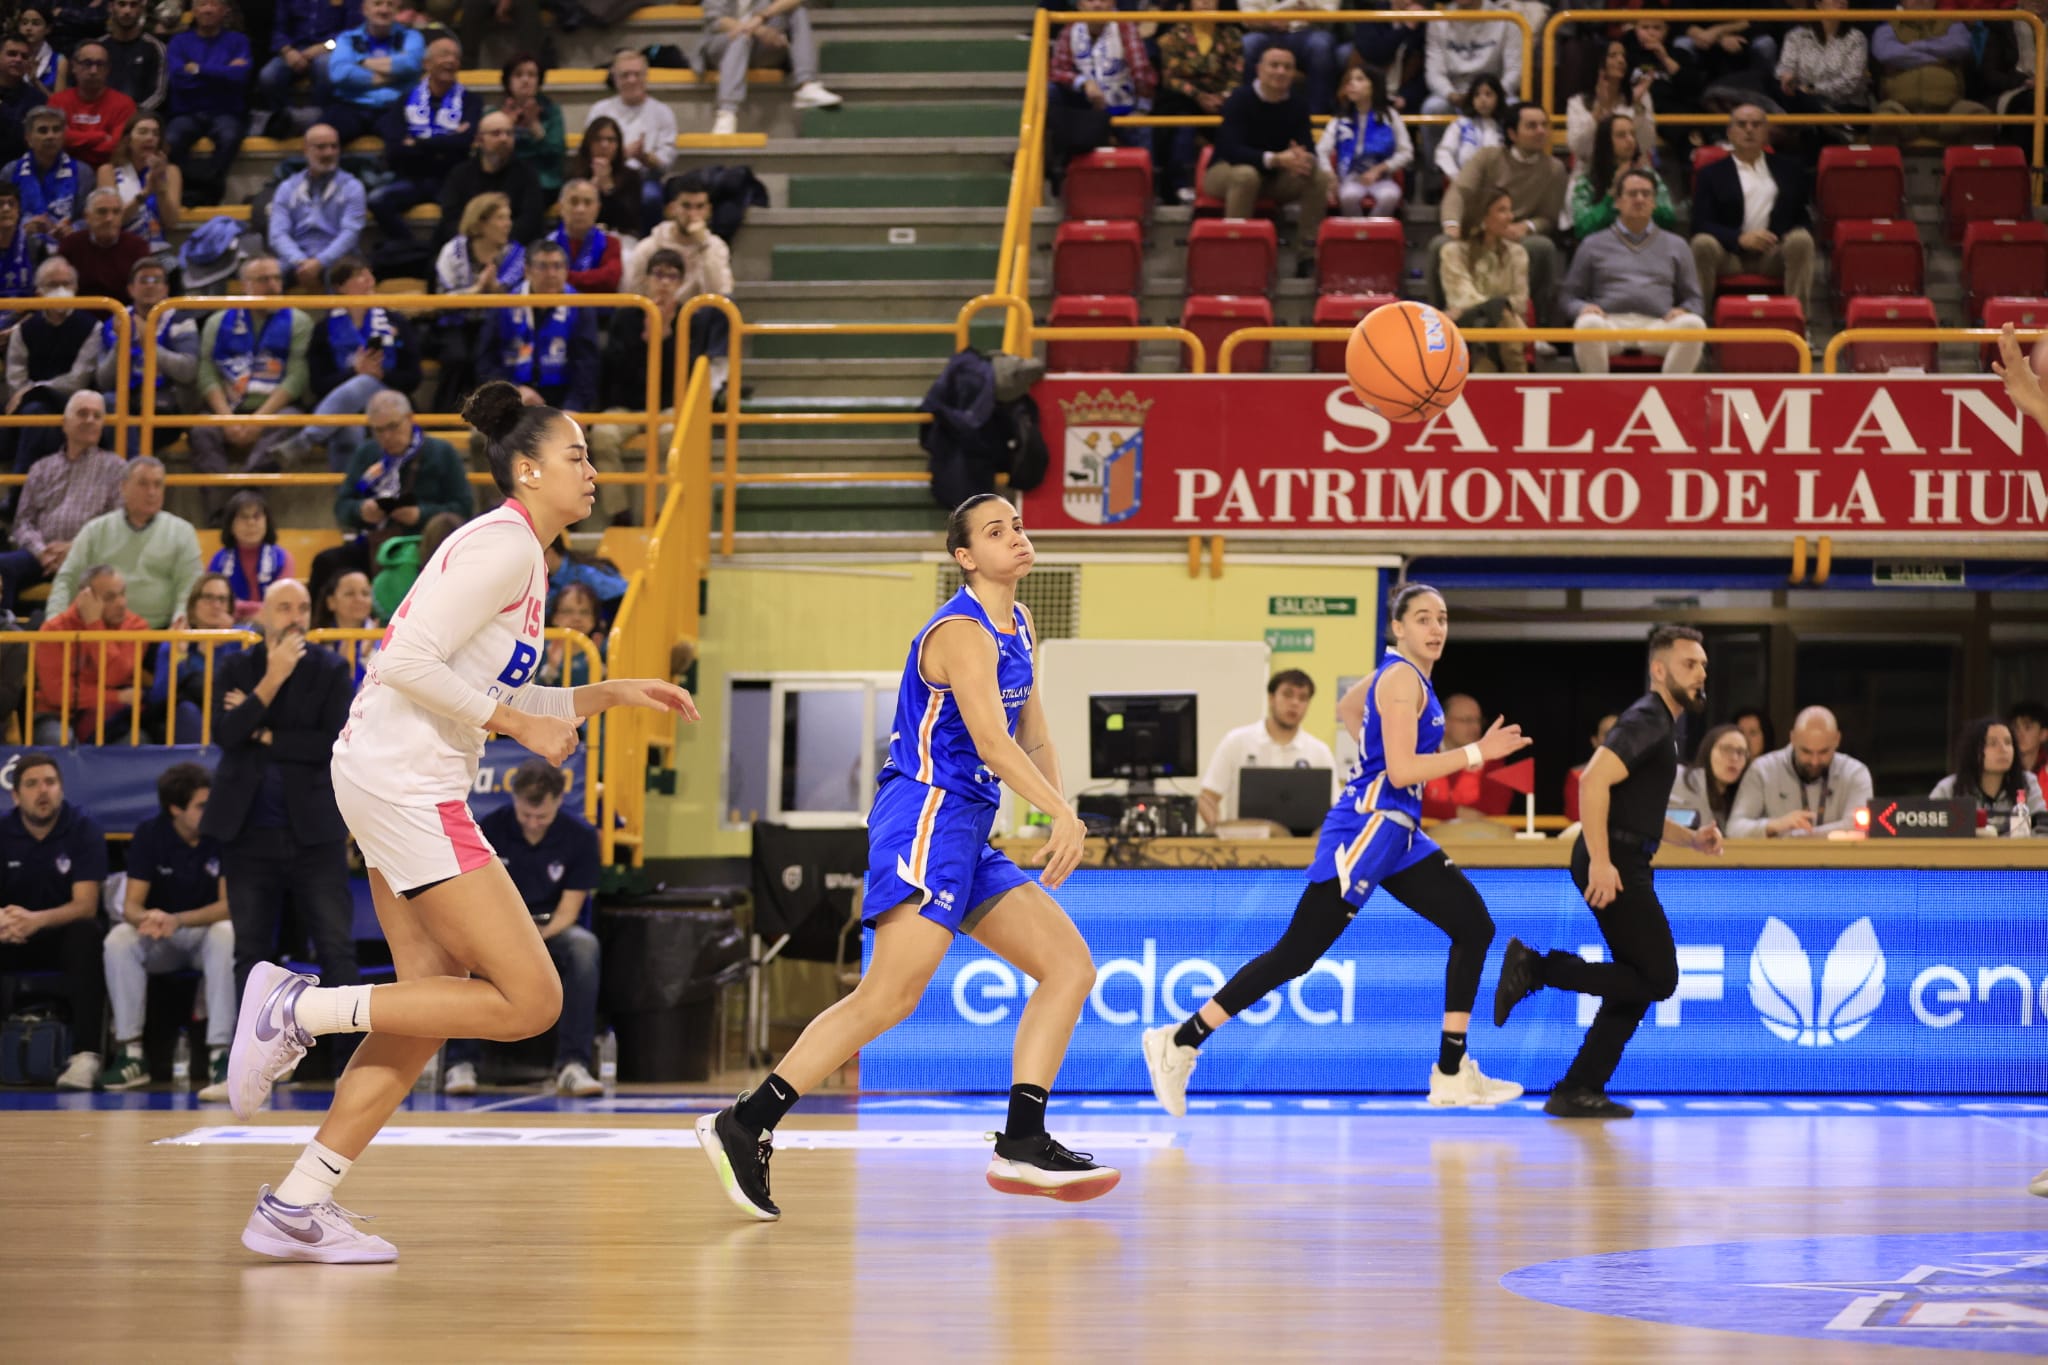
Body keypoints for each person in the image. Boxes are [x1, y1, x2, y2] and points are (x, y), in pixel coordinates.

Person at [223, 380, 697, 1261]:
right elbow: (404, 659)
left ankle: (295, 1202)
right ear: (527, 469)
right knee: (531, 997)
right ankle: (299, 1008)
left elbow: (491, 688)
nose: (592, 470)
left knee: (425, 1005)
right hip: (407, 781)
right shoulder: (506, 548)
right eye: (576, 455)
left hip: (389, 774)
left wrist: (605, 692)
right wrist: (515, 723)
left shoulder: (522, 553)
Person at [698, 492, 1112, 1222]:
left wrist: (1063, 803)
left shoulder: (1019, 621)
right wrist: (1059, 811)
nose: (1015, 536)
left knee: (1070, 966)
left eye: (1016, 524)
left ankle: (1022, 1139)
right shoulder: (960, 631)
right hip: (925, 816)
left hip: (968, 828)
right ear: (964, 556)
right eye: (995, 531)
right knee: (888, 995)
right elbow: (989, 740)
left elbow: (1033, 728)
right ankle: (748, 1119)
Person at [1143, 583, 1531, 1116]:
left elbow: (1350, 707)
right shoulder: (1400, 679)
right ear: (1398, 628)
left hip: (1398, 832)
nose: (1436, 628)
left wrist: (1371, 759)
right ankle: (1180, 1040)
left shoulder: (1402, 676)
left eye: (1441, 618)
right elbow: (1401, 771)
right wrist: (1476, 752)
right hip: (1369, 830)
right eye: (1422, 618)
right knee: (1297, 953)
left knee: (1473, 925)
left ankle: (1450, 1072)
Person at [1494, 626, 1723, 1119]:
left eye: (1703, 664)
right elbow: (1594, 781)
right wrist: (1601, 860)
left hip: (1625, 853)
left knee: (1636, 981)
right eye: (1689, 664)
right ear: (1659, 670)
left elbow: (1633, 807)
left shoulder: (1665, 724)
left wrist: (1691, 838)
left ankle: (1578, 1088)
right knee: (1659, 978)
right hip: (1614, 859)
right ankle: (1536, 968)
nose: (1700, 673)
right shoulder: (1647, 717)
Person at [204, 577, 360, 1012]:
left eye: (303, 608)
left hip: (313, 833)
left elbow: (330, 742)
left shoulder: (331, 669)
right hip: (248, 833)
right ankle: (250, 1065)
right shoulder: (237, 667)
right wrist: (271, 681)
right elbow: (227, 735)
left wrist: (265, 731)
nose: (296, 618)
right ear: (263, 615)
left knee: (336, 947)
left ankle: (350, 1064)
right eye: (285, 608)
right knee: (250, 952)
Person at [444, 758, 605, 1097]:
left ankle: (573, 1065)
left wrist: (530, 938)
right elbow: (476, 899)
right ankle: (460, 1064)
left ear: (559, 801)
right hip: (497, 927)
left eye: (541, 817)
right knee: (462, 949)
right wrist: (502, 937)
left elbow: (569, 911)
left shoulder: (581, 837)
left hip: (550, 928)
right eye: (526, 816)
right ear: (514, 800)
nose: (533, 824)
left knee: (584, 947)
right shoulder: (489, 829)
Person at [100, 762, 235, 1094]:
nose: (211, 809)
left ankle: (222, 1055)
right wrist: (146, 919)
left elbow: (228, 905)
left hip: (201, 934)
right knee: (118, 939)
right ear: (175, 808)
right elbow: (131, 905)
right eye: (202, 805)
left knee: (227, 933)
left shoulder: (223, 831)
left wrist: (179, 919)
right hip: (159, 935)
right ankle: (131, 1055)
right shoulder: (150, 833)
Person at [0, 752, 110, 1090]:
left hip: (62, 934)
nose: (42, 791)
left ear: (61, 788)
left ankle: (85, 1056)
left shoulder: (82, 827)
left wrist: (36, 920)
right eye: (32, 785)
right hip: (12, 934)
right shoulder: (2, 831)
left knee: (86, 933)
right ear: (16, 795)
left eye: (50, 782)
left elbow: (86, 904)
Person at [1562, 168, 1707, 375]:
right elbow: (1569, 297)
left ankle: (1670, 396)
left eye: (1646, 194)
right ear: (1617, 202)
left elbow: (1695, 301)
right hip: (1609, 324)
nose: (1639, 199)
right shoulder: (1592, 244)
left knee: (1694, 325)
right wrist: (1582, 308)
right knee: (1587, 325)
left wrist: (1684, 310)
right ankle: (1596, 396)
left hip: (1658, 325)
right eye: (1632, 194)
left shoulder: (1677, 245)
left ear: (1655, 202)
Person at [1433, 103, 1565, 326]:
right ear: (1512, 133)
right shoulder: (1487, 157)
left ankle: (1538, 327)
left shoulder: (1555, 169)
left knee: (1542, 247)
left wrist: (1528, 227)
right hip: (1479, 228)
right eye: (1532, 126)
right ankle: (1439, 322)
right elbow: (1459, 192)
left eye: (1544, 125)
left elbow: (1549, 217)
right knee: (1441, 244)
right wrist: (1452, 224)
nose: (1541, 131)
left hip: (1516, 232)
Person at [1205, 46, 1333, 260]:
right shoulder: (1239, 99)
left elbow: (1307, 146)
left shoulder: (1298, 104)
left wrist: (1303, 158)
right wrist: (1275, 159)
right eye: (1274, 65)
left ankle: (1308, 254)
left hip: (1274, 178)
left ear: (1294, 74)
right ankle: (1235, 255)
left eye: (1287, 67)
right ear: (1259, 69)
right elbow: (1231, 150)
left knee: (1318, 176)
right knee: (1246, 175)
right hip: (1226, 171)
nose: (1281, 72)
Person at [588, 246, 685, 528]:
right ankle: (620, 514)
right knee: (603, 434)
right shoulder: (626, 316)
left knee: (673, 437)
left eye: (672, 276)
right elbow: (616, 370)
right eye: (659, 274)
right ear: (646, 279)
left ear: (681, 283)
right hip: (627, 405)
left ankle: (662, 516)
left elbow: (684, 376)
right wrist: (644, 338)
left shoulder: (689, 317)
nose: (664, 282)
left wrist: (665, 338)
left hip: (667, 405)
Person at [191, 254, 312, 479]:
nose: (273, 286)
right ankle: (222, 508)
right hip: (227, 408)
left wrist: (258, 421)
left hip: (273, 409)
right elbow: (206, 373)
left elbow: (297, 377)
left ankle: (246, 499)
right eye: (264, 280)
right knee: (201, 430)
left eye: (277, 278)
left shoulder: (299, 321)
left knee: (290, 421)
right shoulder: (217, 321)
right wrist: (227, 419)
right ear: (245, 285)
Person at [295, 255, 421, 470]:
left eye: (369, 274)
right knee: (348, 427)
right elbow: (318, 384)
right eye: (359, 276)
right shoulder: (324, 329)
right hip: (341, 409)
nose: (369, 281)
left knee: (364, 383)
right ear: (340, 287)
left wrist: (380, 375)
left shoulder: (396, 321)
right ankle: (351, 500)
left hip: (390, 400)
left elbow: (413, 377)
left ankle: (306, 439)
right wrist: (354, 371)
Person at [0, 390, 121, 609]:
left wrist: (74, 548)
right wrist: (41, 551)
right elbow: (23, 522)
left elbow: (117, 526)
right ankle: (8, 637)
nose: (90, 420)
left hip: (89, 558)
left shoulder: (116, 469)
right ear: (65, 424)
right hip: (40, 556)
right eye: (83, 414)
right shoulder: (41, 468)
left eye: (97, 416)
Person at [48, 456, 202, 628]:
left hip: (161, 632)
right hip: (101, 630)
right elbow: (67, 580)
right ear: (123, 487)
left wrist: (180, 621)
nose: (151, 492)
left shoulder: (183, 532)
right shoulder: (95, 530)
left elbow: (190, 586)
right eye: (143, 484)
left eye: (158, 485)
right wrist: (54, 623)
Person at [1687, 103, 1815, 307]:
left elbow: (1802, 217)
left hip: (1773, 253)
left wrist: (1779, 237)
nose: (1749, 129)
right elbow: (1700, 223)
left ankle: (1800, 323)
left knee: (1802, 240)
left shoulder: (1789, 169)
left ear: (1766, 132)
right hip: (1728, 255)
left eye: (1756, 124)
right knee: (1702, 243)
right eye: (1742, 124)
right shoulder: (1710, 174)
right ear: (1729, 133)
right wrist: (1739, 239)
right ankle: (1697, 323)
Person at [371, 35, 481, 244]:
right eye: (444, 55)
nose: (451, 61)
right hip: (411, 177)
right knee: (377, 200)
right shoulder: (404, 100)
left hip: (451, 179)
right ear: (426, 63)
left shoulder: (471, 101)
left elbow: (464, 143)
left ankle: (435, 253)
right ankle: (411, 247)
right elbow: (395, 148)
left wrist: (418, 143)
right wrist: (445, 142)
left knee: (465, 213)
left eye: (456, 57)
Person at [1196, 668, 1336, 829]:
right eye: (1287, 695)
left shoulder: (1319, 751)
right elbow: (1207, 798)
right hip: (1244, 847)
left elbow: (1336, 808)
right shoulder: (1236, 742)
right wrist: (1220, 834)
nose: (1295, 703)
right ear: (1271, 698)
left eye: (1303, 698)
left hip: (1301, 849)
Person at [87, 256, 195, 454]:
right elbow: (103, 381)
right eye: (143, 280)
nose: (150, 286)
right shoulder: (115, 321)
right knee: (108, 403)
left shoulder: (181, 320)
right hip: (126, 400)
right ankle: (134, 470)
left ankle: (131, 472)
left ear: (166, 289)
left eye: (156, 281)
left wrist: (148, 342)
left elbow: (187, 371)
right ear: (131, 289)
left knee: (150, 411)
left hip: (167, 402)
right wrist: (123, 342)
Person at [477, 240, 599, 412]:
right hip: (512, 399)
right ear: (527, 271)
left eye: (558, 266)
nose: (551, 274)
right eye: (543, 266)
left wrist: (574, 407)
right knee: (478, 436)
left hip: (562, 398)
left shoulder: (580, 307)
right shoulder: (503, 306)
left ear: (566, 271)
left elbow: (587, 366)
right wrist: (512, 391)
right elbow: (486, 363)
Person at [34, 562, 150, 744]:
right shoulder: (53, 630)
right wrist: (117, 696)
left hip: (108, 714)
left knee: (137, 741)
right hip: (56, 714)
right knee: (60, 740)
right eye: (110, 597)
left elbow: (114, 677)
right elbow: (56, 693)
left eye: (122, 594)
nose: (122, 603)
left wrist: (93, 627)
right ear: (85, 598)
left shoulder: (136, 626)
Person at [1725, 705, 1873, 838]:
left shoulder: (1855, 773)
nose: (1814, 761)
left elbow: (1859, 828)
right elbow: (1734, 829)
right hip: (1777, 866)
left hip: (1838, 867)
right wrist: (1775, 825)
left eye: (1823, 752)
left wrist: (1797, 837)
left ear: (1837, 740)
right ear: (1793, 738)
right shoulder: (1763, 770)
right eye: (1806, 752)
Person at [701, 0, 840, 138]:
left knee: (798, 11)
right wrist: (756, 29)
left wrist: (761, 17)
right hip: (724, 43)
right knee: (741, 37)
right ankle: (727, 112)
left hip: (761, 44)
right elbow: (716, 21)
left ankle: (807, 84)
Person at [142, 572, 253, 742]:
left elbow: (239, 688)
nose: (216, 605)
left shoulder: (243, 639)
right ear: (193, 606)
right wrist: (179, 655)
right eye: (208, 597)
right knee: (186, 710)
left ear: (230, 608)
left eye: (222, 599)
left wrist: (216, 650)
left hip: (230, 713)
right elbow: (159, 697)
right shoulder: (175, 640)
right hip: (185, 719)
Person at [161, 0, 251, 205]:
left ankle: (209, 188)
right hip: (187, 112)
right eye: (202, 4)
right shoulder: (179, 42)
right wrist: (224, 71)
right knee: (171, 140)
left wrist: (198, 70)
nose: (208, 9)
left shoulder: (239, 41)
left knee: (231, 137)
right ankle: (193, 184)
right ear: (193, 10)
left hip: (226, 113)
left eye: (214, 4)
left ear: (225, 10)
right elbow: (179, 80)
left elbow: (239, 78)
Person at [1153, 0, 1242, 204]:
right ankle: (1180, 183)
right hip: (1185, 98)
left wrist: (1224, 96)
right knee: (1182, 119)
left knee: (1238, 111)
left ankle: (1230, 180)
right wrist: (1198, 96)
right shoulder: (1172, 36)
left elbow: (1237, 75)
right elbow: (1170, 78)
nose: (1205, 2)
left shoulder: (1232, 35)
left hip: (1221, 98)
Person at [1439, 185, 1529, 374]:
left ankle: (1485, 374)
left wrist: (1499, 311)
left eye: (1510, 210)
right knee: (1498, 313)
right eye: (1502, 210)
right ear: (1483, 217)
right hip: (1466, 325)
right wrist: (1497, 309)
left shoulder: (1517, 253)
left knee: (1498, 318)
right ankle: (1519, 376)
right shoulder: (1453, 252)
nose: (1511, 217)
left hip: (1504, 328)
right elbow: (1462, 298)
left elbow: (1520, 301)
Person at [266, 124, 367, 291]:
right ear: (305, 149)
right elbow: (277, 235)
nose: (329, 153)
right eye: (321, 147)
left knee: (342, 273)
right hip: (296, 257)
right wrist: (300, 261)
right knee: (264, 276)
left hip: (338, 258)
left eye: (334, 147)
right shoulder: (287, 187)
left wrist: (320, 262)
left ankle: (336, 318)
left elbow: (351, 234)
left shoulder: (353, 187)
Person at [585, 49, 674, 229]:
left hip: (645, 177)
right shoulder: (600, 110)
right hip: (606, 173)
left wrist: (645, 157)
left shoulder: (662, 112)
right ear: (615, 78)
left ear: (646, 76)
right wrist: (623, 155)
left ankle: (647, 248)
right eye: (625, 75)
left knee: (651, 196)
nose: (632, 80)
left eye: (637, 74)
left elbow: (667, 161)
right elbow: (588, 151)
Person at [432, 109, 543, 250]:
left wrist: (496, 243)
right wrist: (478, 244)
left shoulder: (527, 174)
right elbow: (451, 220)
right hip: (467, 250)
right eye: (496, 133)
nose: (504, 139)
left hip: (512, 251)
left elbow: (530, 221)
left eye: (509, 133)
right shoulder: (460, 174)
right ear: (479, 140)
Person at [321, 0, 426, 146]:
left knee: (410, 143)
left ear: (397, 10)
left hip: (395, 108)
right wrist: (396, 77)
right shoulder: (347, 38)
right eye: (377, 4)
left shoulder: (412, 36)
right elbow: (340, 74)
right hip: (351, 106)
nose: (384, 10)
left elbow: (411, 65)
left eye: (390, 5)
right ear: (365, 10)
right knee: (322, 136)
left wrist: (360, 61)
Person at [1317, 59, 1411, 219]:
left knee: (1390, 195)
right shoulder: (1340, 120)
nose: (1351, 84)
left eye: (1359, 79)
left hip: (1381, 177)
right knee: (1348, 196)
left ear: (1374, 86)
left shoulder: (1390, 116)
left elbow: (1406, 152)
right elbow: (1321, 150)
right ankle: (1354, 233)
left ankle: (1375, 233)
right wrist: (1329, 175)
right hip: (1349, 177)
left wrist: (1379, 169)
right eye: (1350, 80)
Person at [1929, 716, 2048, 838]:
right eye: (1992, 743)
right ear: (1974, 752)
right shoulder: (1949, 788)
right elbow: (1927, 828)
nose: (2003, 749)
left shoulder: (2027, 782)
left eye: (2008, 742)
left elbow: (2043, 829)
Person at [1568, 110, 1674, 239]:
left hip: (1646, 243)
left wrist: (1645, 201)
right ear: (1605, 141)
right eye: (1621, 135)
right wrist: (1612, 194)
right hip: (1604, 248)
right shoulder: (1587, 182)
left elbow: (1669, 219)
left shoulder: (1649, 176)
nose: (1630, 140)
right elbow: (1582, 229)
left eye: (1632, 134)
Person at [258, 0, 360, 134]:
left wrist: (325, 46)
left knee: (323, 67)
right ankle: (285, 120)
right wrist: (288, 51)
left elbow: (351, 33)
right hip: (295, 50)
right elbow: (279, 31)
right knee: (268, 75)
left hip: (331, 48)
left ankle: (322, 120)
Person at [1565, 37, 1655, 170]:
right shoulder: (1578, 102)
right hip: (1591, 172)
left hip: (1632, 171)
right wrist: (1599, 109)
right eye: (1613, 56)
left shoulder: (1640, 97)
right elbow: (1579, 148)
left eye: (1623, 56)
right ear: (1597, 62)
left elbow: (1646, 143)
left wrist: (1637, 105)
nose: (1621, 61)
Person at [96, 110, 179, 253]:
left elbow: (171, 223)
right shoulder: (108, 171)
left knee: (172, 268)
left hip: (156, 250)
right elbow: (113, 221)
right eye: (143, 132)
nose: (150, 138)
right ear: (128, 139)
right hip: (118, 249)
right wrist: (145, 192)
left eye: (155, 133)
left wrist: (161, 190)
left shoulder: (171, 172)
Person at [1421, 691, 1512, 820]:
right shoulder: (1421, 755)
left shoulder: (1492, 758)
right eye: (1467, 720)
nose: (1475, 727)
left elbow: (1495, 808)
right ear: (1443, 722)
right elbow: (1411, 803)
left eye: (1478, 721)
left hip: (1475, 836)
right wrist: (1456, 813)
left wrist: (1440, 811)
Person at [1422, 0, 1521, 118]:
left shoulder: (1508, 19)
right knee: (1433, 108)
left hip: (1496, 91)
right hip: (1455, 93)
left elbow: (1515, 70)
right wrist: (1451, 94)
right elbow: (1434, 73)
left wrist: (1494, 94)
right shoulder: (1438, 21)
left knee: (1514, 107)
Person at [7, 107, 92, 237]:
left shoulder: (83, 173)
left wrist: (73, 229)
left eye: (56, 130)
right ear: (28, 138)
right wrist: (22, 227)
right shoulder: (10, 171)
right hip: (22, 246)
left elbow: (91, 217)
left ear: (64, 136)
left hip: (67, 247)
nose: (50, 136)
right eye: (43, 130)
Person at [208, 489, 294, 617]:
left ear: (267, 522)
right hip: (228, 628)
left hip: (272, 626)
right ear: (230, 525)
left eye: (257, 516)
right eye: (243, 517)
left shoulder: (283, 559)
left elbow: (282, 603)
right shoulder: (218, 561)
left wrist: (240, 609)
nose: (251, 523)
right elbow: (214, 604)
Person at [50, 40, 135, 169]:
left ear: (108, 69)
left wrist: (74, 143)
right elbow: (55, 139)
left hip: (110, 170)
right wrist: (99, 136)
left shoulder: (125, 104)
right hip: (64, 171)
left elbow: (117, 147)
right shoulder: (57, 101)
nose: (93, 70)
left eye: (100, 64)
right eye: (87, 63)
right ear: (73, 66)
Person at [57, 186, 150, 303]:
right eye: (102, 212)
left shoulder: (138, 247)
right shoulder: (71, 245)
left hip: (125, 316)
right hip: (81, 315)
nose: (109, 218)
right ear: (87, 217)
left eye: (116, 212)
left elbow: (145, 292)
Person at [500, 53, 564, 196]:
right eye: (518, 75)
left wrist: (534, 125)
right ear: (508, 81)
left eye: (532, 75)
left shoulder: (552, 112)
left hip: (542, 182)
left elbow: (556, 152)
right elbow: (488, 153)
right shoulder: (495, 114)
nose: (525, 80)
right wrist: (506, 126)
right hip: (504, 178)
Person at [568, 116, 641, 240]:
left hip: (619, 237)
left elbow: (630, 222)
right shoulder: (574, 174)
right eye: (598, 139)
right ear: (588, 143)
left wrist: (609, 188)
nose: (604, 145)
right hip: (580, 237)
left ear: (618, 145)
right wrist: (589, 191)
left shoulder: (631, 176)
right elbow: (566, 216)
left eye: (611, 140)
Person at [1669, 722, 1749, 834]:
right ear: (1708, 750)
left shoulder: (1744, 799)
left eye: (1741, 752)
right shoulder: (1678, 777)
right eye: (1726, 749)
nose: (1734, 758)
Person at [97, 0, 167, 116]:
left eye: (133, 5)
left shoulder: (155, 48)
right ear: (110, 7)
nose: (127, 11)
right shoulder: (98, 47)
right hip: (101, 117)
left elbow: (159, 93)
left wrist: (133, 114)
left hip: (139, 118)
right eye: (122, 4)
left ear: (141, 9)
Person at [1432, 72, 1505, 183]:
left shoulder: (1506, 126)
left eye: (1488, 94)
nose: (1482, 100)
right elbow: (1443, 152)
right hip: (1463, 183)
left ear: (1498, 97)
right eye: (1477, 95)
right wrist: (1456, 177)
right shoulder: (1461, 124)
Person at [550, 179, 620, 294]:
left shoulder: (611, 243)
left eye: (587, 203)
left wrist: (563, 277)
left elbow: (609, 280)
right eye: (574, 202)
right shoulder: (547, 244)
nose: (580, 209)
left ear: (597, 209)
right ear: (560, 207)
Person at [1562, 711, 1619, 822]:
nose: (1615, 739)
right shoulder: (1577, 775)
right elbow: (1575, 820)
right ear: (1595, 741)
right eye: (1608, 734)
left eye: (1619, 733)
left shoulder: (1642, 774)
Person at [2009, 700, 2048, 789]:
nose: (2019, 734)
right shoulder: (2004, 769)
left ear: (2043, 734)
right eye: (2015, 727)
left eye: (2027, 727)